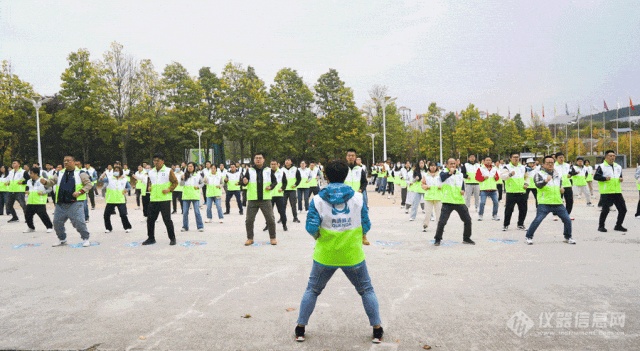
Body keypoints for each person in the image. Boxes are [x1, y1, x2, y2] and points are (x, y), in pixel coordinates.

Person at [294, 159, 383, 344]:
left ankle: (300, 328)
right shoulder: (358, 198)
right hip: (352, 255)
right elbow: (366, 224)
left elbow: (311, 227)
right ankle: (377, 329)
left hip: (325, 255)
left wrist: (318, 235)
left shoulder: (317, 199)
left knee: (312, 289)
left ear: (325, 176)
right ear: (346, 175)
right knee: (366, 290)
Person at [41, 155, 93, 247]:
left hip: (75, 203)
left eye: (68, 161)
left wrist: (80, 192)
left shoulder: (81, 173)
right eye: (64, 161)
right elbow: (51, 182)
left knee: (79, 222)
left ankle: (85, 238)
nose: (66, 162)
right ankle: (62, 239)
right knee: (57, 222)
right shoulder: (59, 173)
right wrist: (45, 182)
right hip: (61, 203)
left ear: (73, 162)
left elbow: (89, 185)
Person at [524, 155, 575, 245]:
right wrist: (545, 181)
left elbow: (560, 184)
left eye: (552, 163)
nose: (550, 164)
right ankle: (529, 236)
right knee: (538, 220)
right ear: (543, 164)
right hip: (545, 202)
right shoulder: (539, 174)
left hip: (557, 202)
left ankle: (568, 237)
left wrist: (561, 188)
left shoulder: (557, 174)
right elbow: (538, 185)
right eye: (548, 163)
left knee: (567, 219)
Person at [434, 158, 474, 246]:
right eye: (451, 164)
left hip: (459, 201)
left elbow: (462, 183)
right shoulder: (443, 172)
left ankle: (466, 238)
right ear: (447, 165)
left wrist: (463, 189)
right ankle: (437, 239)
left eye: (454, 164)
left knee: (467, 220)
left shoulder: (459, 173)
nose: (453, 165)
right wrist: (450, 173)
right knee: (442, 222)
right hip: (448, 201)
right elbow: (442, 178)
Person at [142, 153, 178, 245]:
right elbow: (149, 182)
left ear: (163, 161)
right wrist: (149, 187)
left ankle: (172, 238)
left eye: (158, 161)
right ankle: (151, 238)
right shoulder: (151, 171)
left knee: (167, 220)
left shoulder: (168, 171)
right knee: (150, 219)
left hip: (164, 199)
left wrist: (169, 189)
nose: (156, 162)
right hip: (153, 199)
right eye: (154, 161)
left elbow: (175, 182)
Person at [242, 152, 277, 246]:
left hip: (265, 199)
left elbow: (275, 182)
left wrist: (271, 186)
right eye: (256, 158)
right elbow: (244, 181)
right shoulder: (249, 170)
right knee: (249, 220)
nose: (258, 159)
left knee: (270, 219)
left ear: (263, 159)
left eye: (260, 158)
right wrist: (244, 181)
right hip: (253, 199)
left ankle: (273, 237)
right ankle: (250, 238)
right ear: (254, 159)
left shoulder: (269, 170)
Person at [594, 150, 627, 233]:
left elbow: (620, 176)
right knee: (605, 210)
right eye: (610, 156)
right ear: (606, 157)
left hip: (617, 191)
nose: (612, 157)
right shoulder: (601, 166)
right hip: (606, 192)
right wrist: (604, 178)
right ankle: (601, 226)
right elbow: (596, 177)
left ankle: (618, 225)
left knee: (623, 209)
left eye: (613, 156)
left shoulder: (618, 166)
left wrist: (621, 179)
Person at [345, 149, 369, 244]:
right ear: (346, 157)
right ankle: (346, 236)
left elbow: (364, 182)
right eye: (349, 155)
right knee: (346, 216)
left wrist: (361, 190)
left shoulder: (360, 169)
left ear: (355, 157)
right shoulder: (343, 168)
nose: (351, 157)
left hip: (357, 196)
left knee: (362, 216)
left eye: (352, 155)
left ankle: (364, 235)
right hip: (345, 196)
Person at [500, 152, 529, 231]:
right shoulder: (507, 167)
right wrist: (509, 174)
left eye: (517, 157)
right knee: (509, 209)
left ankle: (520, 224)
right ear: (510, 158)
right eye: (514, 157)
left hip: (522, 191)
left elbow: (527, 176)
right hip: (511, 192)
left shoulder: (523, 167)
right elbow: (502, 177)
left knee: (523, 209)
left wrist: (526, 183)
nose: (516, 159)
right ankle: (506, 225)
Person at [100, 164, 133, 233]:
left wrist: (126, 190)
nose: (116, 172)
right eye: (115, 170)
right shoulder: (109, 178)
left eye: (117, 170)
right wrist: (102, 175)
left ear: (120, 172)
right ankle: (108, 228)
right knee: (106, 215)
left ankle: (127, 227)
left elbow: (129, 187)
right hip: (111, 199)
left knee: (123, 214)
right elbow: (101, 180)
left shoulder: (124, 179)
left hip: (120, 199)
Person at [23, 167, 53, 233]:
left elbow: (50, 189)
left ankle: (49, 227)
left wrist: (43, 192)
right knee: (27, 215)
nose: (30, 175)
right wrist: (28, 192)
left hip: (40, 201)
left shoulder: (42, 180)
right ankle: (31, 227)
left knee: (43, 215)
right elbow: (30, 189)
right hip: (30, 201)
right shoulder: (29, 181)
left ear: (36, 174)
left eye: (31, 173)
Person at [264, 160, 287, 232]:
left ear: (278, 165)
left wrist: (282, 188)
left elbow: (285, 183)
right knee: (268, 212)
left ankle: (284, 225)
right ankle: (267, 225)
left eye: (274, 164)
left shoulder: (281, 172)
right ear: (270, 165)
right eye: (272, 164)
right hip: (269, 195)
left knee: (281, 211)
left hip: (279, 195)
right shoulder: (266, 172)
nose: (273, 165)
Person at [180, 162, 204, 232]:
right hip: (186, 196)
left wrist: (198, 186)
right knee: (185, 212)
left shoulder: (198, 175)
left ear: (194, 167)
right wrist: (182, 179)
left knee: (197, 211)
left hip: (195, 195)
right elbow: (181, 185)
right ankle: (185, 226)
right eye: (188, 166)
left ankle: (200, 226)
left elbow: (202, 183)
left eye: (191, 166)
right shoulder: (184, 175)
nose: (189, 167)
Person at [476, 156, 500, 221]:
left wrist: (496, 177)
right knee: (482, 202)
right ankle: (480, 215)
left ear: (491, 161)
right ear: (484, 161)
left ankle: (494, 215)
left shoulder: (494, 169)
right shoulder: (480, 169)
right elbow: (477, 178)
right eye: (487, 160)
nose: (488, 161)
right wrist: (483, 178)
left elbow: (498, 178)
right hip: (484, 189)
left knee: (496, 202)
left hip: (493, 189)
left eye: (489, 160)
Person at [554, 152, 577, 220]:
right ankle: (555, 214)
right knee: (557, 200)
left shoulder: (567, 165)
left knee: (570, 200)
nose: (561, 159)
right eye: (559, 157)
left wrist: (571, 174)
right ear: (556, 158)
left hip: (567, 185)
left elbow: (572, 172)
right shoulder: (554, 166)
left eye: (562, 157)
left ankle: (567, 214)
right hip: (557, 185)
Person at [421, 162, 442, 232]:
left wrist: (441, 186)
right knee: (428, 212)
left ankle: (439, 227)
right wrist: (426, 187)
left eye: (434, 166)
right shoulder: (425, 175)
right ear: (429, 167)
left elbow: (444, 183)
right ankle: (425, 225)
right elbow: (422, 184)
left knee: (438, 213)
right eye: (431, 166)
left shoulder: (440, 174)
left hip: (438, 196)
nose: (433, 167)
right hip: (428, 196)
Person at [282, 158, 301, 223]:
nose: (287, 161)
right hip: (284, 190)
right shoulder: (282, 169)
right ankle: (282, 218)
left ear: (291, 162)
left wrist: (295, 184)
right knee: (283, 205)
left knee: (293, 204)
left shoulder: (295, 169)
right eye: (286, 160)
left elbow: (299, 179)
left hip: (292, 190)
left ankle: (295, 217)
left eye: (288, 160)